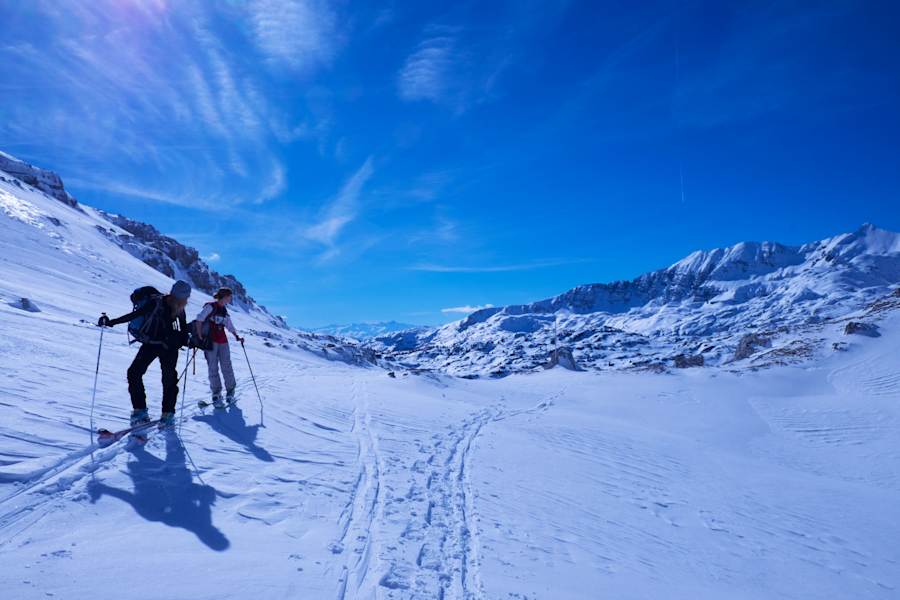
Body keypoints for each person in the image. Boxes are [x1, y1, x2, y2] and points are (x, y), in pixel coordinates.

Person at [98, 280, 192, 428]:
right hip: (155, 344)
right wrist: (111, 322)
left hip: (162, 346)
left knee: (161, 378)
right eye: (184, 298)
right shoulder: (158, 302)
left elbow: (183, 329)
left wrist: (188, 340)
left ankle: (155, 413)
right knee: (145, 375)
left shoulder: (174, 306)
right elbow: (135, 315)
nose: (185, 301)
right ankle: (149, 412)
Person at [195, 287, 244, 408]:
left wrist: (236, 335)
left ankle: (230, 391)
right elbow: (199, 319)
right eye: (230, 297)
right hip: (210, 341)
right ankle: (216, 393)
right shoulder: (210, 307)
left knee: (226, 365)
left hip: (223, 341)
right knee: (213, 367)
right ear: (225, 296)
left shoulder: (223, 310)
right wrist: (200, 336)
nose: (230, 299)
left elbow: (229, 325)